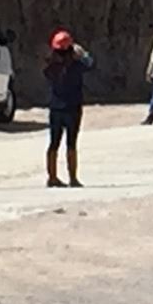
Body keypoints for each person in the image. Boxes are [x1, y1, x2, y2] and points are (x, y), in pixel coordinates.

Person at [42, 29, 94, 188]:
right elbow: (90, 63)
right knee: (71, 143)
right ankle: (73, 178)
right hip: (72, 107)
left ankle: (52, 177)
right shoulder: (77, 65)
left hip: (55, 107)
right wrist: (83, 53)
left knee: (53, 143)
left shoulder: (50, 66)